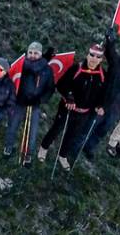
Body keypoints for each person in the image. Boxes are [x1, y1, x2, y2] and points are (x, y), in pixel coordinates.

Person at [37, 43, 108, 172]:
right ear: (87, 55)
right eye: (91, 55)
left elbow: (103, 93)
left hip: (84, 112)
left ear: (101, 59)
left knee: (72, 134)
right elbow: (61, 84)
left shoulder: (103, 74)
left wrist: (100, 105)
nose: (93, 59)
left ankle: (62, 155)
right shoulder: (76, 69)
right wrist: (69, 97)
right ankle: (44, 147)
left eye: (98, 57)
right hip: (68, 109)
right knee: (56, 129)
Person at [82, 29, 120, 157]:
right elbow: (110, 53)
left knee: (102, 131)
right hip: (103, 104)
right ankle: (76, 145)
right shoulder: (117, 63)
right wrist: (110, 40)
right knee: (89, 126)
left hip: (117, 110)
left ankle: (89, 147)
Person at [7, 41, 56, 165]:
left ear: (41, 54)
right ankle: (8, 147)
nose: (33, 55)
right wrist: (16, 96)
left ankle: (28, 153)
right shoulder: (22, 64)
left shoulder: (47, 70)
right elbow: (15, 78)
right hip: (20, 102)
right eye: (30, 52)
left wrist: (40, 100)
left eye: (36, 53)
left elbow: (50, 88)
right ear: (27, 53)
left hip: (35, 104)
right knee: (13, 125)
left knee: (33, 131)